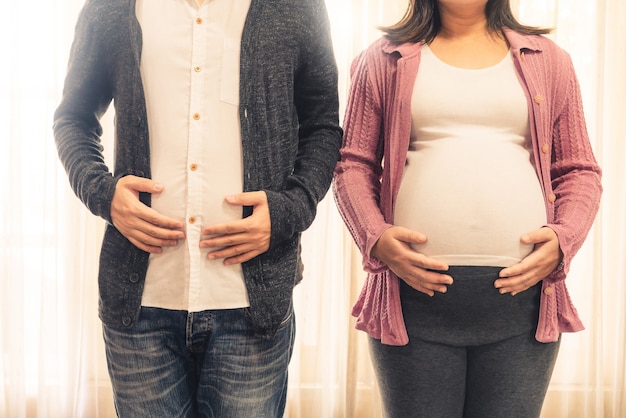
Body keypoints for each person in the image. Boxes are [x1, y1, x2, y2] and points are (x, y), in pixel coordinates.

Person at [53, 0, 341, 416]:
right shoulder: (110, 8)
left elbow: (323, 126)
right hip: (141, 303)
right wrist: (104, 193)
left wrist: (289, 209)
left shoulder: (295, 6)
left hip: (252, 300)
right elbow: (73, 118)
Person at [333, 0, 602, 416]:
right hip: (411, 304)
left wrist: (563, 240)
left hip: (523, 306)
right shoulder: (383, 58)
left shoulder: (550, 60)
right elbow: (352, 165)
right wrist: (376, 237)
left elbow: (579, 170)